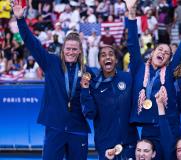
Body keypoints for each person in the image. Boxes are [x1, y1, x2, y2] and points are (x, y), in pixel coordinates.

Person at [12, 1, 91, 159]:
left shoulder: (87, 72)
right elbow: (32, 43)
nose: (70, 52)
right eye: (68, 48)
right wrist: (20, 20)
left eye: (74, 49)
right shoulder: (51, 63)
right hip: (55, 126)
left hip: (78, 128)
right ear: (63, 49)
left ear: (80, 51)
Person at [125, 0, 181, 159]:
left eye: (167, 53)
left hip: (169, 126)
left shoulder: (171, 71)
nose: (163, 53)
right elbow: (132, 44)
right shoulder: (138, 66)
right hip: (148, 128)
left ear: (168, 60)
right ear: (152, 53)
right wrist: (131, 12)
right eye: (160, 50)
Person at [80, 45, 138, 160]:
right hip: (105, 145)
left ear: (116, 59)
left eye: (111, 54)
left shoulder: (127, 78)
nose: (107, 57)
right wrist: (85, 90)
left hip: (129, 143)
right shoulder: (94, 84)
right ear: (99, 61)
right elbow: (90, 114)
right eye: (103, 55)